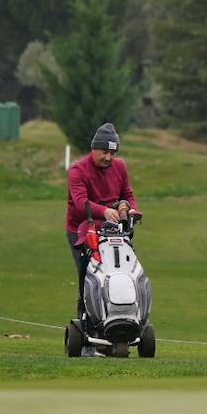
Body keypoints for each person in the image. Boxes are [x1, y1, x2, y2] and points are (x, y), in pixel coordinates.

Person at [65, 122, 138, 319]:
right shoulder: (77, 170)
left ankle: (118, 321)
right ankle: (86, 332)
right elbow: (81, 203)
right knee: (89, 280)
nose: (109, 157)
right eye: (104, 152)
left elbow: (127, 195)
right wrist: (105, 211)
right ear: (94, 148)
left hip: (114, 232)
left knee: (119, 275)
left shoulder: (120, 167)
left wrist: (130, 210)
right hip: (82, 231)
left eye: (112, 153)